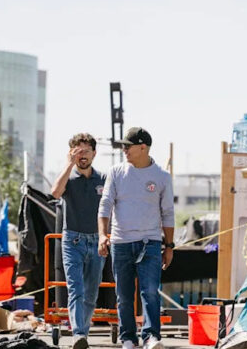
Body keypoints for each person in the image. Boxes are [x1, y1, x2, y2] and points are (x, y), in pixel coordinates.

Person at [97, 127, 174, 349]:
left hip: (150, 243)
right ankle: (128, 338)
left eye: (127, 146)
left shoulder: (161, 177)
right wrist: (103, 235)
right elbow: (105, 205)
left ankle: (151, 337)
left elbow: (168, 212)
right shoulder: (116, 172)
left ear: (143, 147)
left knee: (150, 291)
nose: (124, 150)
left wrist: (169, 246)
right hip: (120, 242)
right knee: (123, 295)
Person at [50, 133, 106, 349]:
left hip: (96, 240)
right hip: (72, 240)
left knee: (91, 292)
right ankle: (78, 334)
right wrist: (68, 164)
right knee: (76, 290)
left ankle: (83, 330)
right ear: (72, 153)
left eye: (86, 151)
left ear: (94, 153)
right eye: (78, 151)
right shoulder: (68, 177)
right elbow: (55, 192)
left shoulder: (102, 179)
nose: (83, 155)